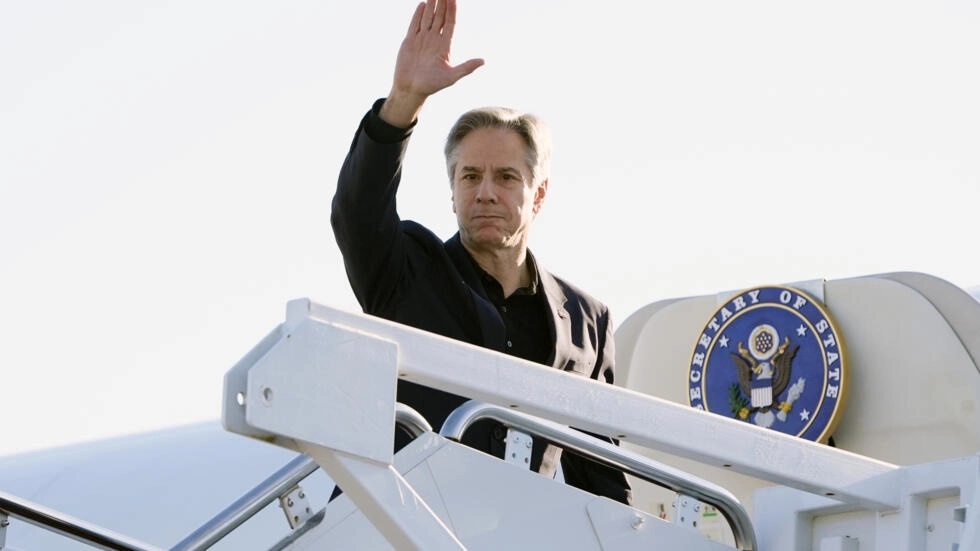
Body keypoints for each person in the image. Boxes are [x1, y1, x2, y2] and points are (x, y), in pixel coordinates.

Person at [331, 0, 631, 505]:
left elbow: (599, 475)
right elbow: (356, 211)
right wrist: (404, 98)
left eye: (506, 177)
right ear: (452, 190)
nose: (485, 192)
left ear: (538, 194)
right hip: (403, 528)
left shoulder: (588, 321)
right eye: (469, 177)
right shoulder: (405, 273)